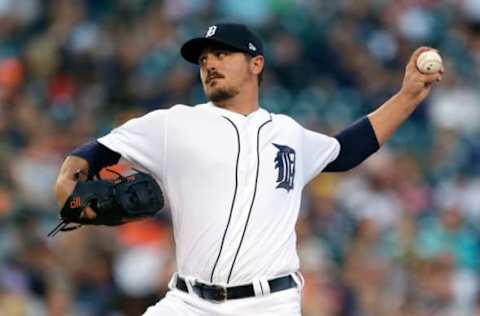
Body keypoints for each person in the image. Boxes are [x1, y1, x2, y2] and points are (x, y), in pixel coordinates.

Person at [52, 23, 443, 316]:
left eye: (222, 54)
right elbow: (94, 152)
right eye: (204, 59)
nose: (209, 64)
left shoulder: (288, 132)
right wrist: (69, 180)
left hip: (268, 303)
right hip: (188, 302)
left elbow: (346, 150)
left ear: (256, 63)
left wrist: (408, 95)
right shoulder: (174, 124)